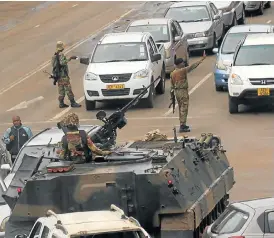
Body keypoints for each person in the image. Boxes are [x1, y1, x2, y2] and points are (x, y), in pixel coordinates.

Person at [170, 51, 206, 133]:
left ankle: (182, 123)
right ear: (179, 64)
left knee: (180, 108)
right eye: (182, 62)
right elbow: (193, 66)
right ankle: (182, 126)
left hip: (177, 92)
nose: (183, 63)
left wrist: (172, 96)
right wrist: (202, 59)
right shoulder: (182, 70)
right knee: (184, 108)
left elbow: (171, 86)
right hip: (182, 91)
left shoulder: (172, 73)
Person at [52, 41, 81, 108]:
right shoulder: (61, 54)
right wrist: (70, 59)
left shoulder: (54, 55)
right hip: (63, 76)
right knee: (68, 89)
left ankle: (61, 103)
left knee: (61, 90)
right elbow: (62, 63)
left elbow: (53, 65)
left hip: (58, 76)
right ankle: (73, 102)